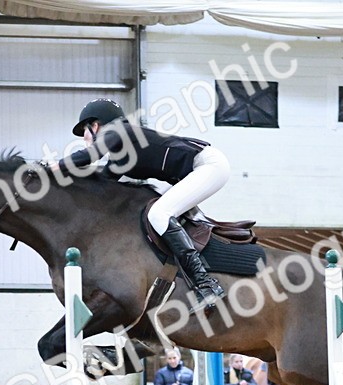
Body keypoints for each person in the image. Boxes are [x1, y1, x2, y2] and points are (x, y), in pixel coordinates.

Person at [60, 99, 229, 305]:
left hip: (208, 165)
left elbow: (89, 156)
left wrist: (51, 168)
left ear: (96, 126)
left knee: (158, 214)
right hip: (199, 169)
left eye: (84, 131)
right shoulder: (121, 156)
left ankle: (206, 284)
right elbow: (101, 186)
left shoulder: (119, 130)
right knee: (153, 209)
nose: (84, 138)